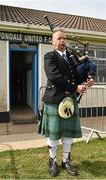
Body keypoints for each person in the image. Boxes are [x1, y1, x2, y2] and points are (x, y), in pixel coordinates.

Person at [40, 29, 94, 177]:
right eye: (59, 38)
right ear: (53, 42)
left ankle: (65, 161)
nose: (62, 41)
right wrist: (75, 87)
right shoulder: (49, 56)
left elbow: (77, 74)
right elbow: (55, 76)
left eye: (64, 38)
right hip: (54, 100)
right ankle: (52, 161)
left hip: (69, 100)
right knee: (54, 134)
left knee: (67, 134)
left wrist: (88, 78)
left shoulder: (71, 58)